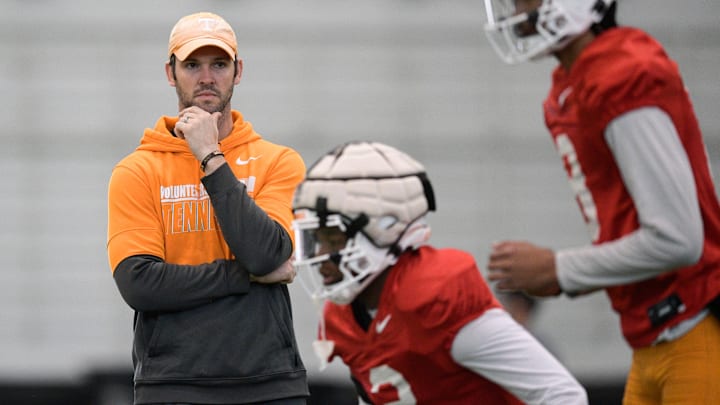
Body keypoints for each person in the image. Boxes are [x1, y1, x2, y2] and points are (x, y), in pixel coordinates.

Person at [482, 1, 720, 403]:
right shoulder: (574, 82)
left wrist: (559, 270)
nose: (515, 8)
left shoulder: (620, 73)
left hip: (693, 326)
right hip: (654, 337)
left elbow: (679, 239)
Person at [106, 12, 309, 404]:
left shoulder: (279, 161)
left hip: (270, 385)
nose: (206, 77)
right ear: (171, 72)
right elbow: (140, 284)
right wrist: (245, 276)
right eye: (192, 65)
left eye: (219, 64)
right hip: (173, 386)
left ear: (238, 71)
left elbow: (266, 254)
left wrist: (210, 157)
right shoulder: (138, 170)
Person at [291, 141, 588, 404]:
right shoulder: (341, 317)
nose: (320, 256)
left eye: (333, 239)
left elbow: (562, 394)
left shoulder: (436, 299)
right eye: (317, 240)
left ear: (383, 229)